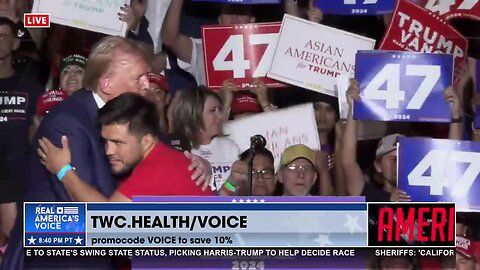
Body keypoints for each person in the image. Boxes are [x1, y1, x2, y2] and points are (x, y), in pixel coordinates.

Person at [1, 36, 210, 270]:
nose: (147, 85)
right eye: (138, 78)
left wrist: (196, 164)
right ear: (107, 84)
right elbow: (97, 214)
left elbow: (161, 157)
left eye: (147, 76)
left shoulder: (135, 114)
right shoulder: (67, 122)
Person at [38, 93, 214, 201]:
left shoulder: (157, 168)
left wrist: (63, 170)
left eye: (118, 142)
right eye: (106, 141)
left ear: (146, 141)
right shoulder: (163, 159)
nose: (109, 151)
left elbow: (106, 222)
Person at [341, 79, 464, 202]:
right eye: (393, 158)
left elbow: (451, 158)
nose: (398, 164)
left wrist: (455, 114)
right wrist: (353, 107)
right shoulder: (368, 196)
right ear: (378, 166)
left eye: (404, 158)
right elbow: (348, 162)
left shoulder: (428, 196)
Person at [0, 16, 43, 255]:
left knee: (16, 245)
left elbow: (38, 128)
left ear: (15, 43)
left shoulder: (31, 86)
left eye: (3, 36)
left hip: (18, 177)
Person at [162, 1, 256, 85]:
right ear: (219, 20)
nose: (234, 19)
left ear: (252, 20)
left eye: (241, 12)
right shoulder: (204, 48)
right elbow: (170, 39)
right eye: (228, 12)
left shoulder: (265, 50)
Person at [171, 86, 241, 189]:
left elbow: (237, 187)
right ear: (194, 115)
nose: (221, 116)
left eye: (220, 110)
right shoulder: (178, 149)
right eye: (213, 110)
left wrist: (228, 188)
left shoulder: (230, 147)